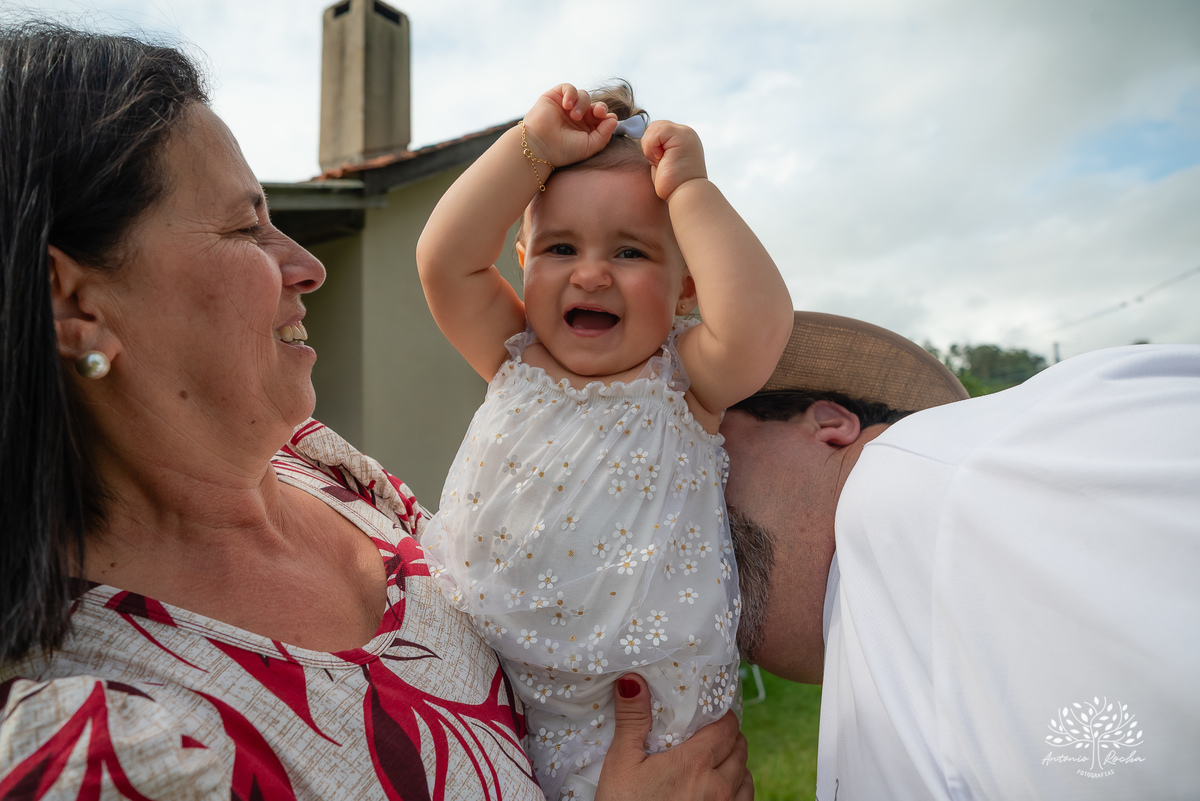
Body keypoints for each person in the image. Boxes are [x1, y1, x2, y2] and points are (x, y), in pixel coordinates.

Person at [0, 23, 753, 800]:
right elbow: (446, 259)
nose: (309, 264)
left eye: (629, 252)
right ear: (73, 303)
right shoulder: (105, 746)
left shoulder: (331, 472)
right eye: (242, 227)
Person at [415, 82, 793, 798]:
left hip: (658, 729)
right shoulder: (512, 356)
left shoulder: (683, 383)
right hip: (500, 709)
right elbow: (443, 260)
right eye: (561, 247)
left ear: (685, 288)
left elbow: (758, 323)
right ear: (522, 259)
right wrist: (528, 148)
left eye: (629, 252)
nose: (590, 273)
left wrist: (691, 190)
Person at [721, 310, 1200, 800]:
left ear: (829, 423)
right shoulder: (882, 580)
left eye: (701, 447)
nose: (669, 508)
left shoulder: (936, 480)